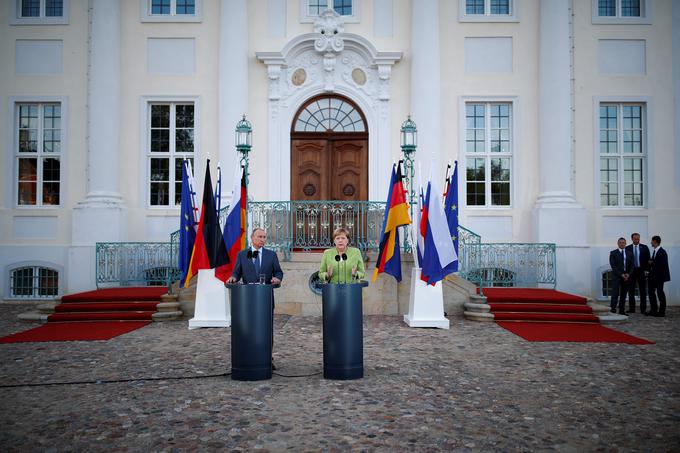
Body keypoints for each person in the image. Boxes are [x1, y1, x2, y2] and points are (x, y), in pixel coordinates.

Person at [227, 227, 283, 368]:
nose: (262, 239)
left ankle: (267, 358)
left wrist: (277, 278)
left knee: (266, 329)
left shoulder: (271, 255)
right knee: (248, 329)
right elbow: (236, 273)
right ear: (252, 238)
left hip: (265, 299)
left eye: (264, 237)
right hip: (247, 300)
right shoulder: (243, 254)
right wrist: (233, 278)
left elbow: (278, 271)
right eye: (259, 236)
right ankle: (248, 357)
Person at [625, 232, 650, 314]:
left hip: (641, 271)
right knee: (631, 290)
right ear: (632, 239)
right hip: (631, 271)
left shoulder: (644, 247)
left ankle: (643, 309)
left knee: (643, 291)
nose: (637, 240)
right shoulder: (627, 248)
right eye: (635, 239)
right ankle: (632, 308)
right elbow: (626, 261)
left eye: (638, 239)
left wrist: (647, 270)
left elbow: (648, 260)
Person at [648, 235, 670, 317]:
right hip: (652, 277)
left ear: (655, 242)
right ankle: (653, 310)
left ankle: (661, 312)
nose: (651, 242)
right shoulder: (655, 251)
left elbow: (662, 265)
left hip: (659, 277)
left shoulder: (662, 252)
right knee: (651, 293)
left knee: (660, 293)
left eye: (652, 241)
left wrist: (652, 263)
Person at [609, 237, 633, 315]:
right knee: (615, 293)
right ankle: (613, 309)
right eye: (620, 242)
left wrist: (628, 274)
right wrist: (621, 274)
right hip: (617, 276)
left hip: (626, 277)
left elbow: (632, 265)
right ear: (618, 243)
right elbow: (613, 266)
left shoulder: (629, 253)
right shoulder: (613, 253)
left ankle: (622, 310)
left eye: (623, 242)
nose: (622, 244)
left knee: (624, 294)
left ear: (625, 243)